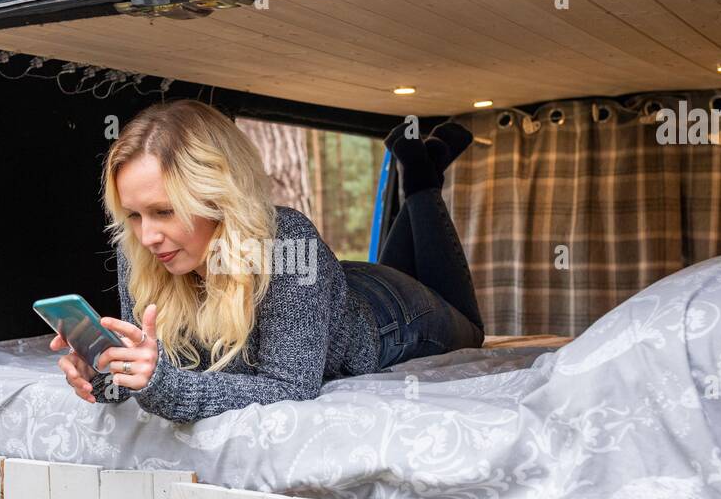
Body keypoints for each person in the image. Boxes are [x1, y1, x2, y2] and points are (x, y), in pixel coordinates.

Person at [50, 99, 485, 424]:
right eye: (135, 215)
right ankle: (421, 169)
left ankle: (422, 180)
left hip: (387, 312)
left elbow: (290, 388)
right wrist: (103, 374)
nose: (147, 235)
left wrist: (164, 385)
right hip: (318, 284)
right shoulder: (143, 250)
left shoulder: (287, 241)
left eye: (165, 211)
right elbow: (147, 375)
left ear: (219, 198)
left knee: (472, 328)